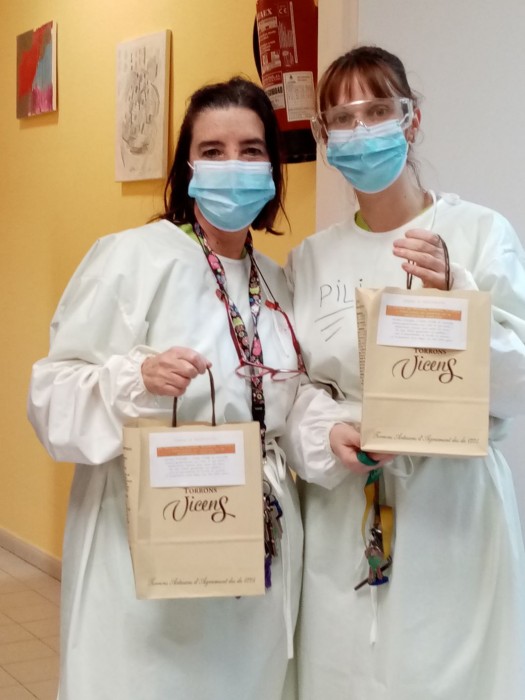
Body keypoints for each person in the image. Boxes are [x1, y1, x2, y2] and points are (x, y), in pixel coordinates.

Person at [27, 77, 304, 700]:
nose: (233, 166)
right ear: (186, 168)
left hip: (254, 550)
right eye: (212, 151)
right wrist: (136, 382)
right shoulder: (132, 259)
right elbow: (49, 397)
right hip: (145, 548)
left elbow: (292, 406)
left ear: (273, 167)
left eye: (251, 150)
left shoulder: (277, 282)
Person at [281, 46, 525, 699]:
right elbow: (293, 390)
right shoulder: (311, 259)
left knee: (446, 677)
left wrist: (454, 297)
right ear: (323, 138)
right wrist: (326, 434)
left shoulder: (477, 234)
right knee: (343, 675)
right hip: (342, 511)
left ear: (411, 119)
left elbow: (518, 381)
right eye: (340, 119)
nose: (359, 130)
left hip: (450, 508)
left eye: (376, 110)